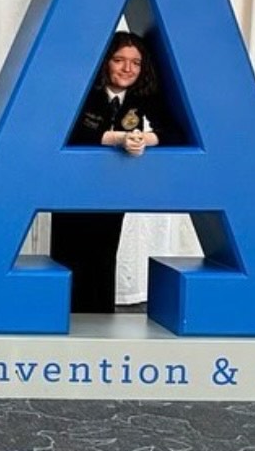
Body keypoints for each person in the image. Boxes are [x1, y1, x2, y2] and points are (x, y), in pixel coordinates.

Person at [50, 31, 175, 313]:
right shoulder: (83, 90)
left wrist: (145, 139)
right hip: (71, 190)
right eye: (119, 60)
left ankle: (100, 330)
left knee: (104, 257)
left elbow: (173, 130)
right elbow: (71, 132)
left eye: (135, 62)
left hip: (110, 189)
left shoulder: (142, 96)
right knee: (69, 259)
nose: (128, 69)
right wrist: (119, 138)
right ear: (105, 61)